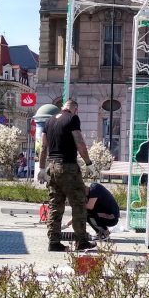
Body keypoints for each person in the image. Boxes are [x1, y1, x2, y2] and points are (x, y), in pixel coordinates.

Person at [37, 99, 99, 252]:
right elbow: (79, 142)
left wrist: (41, 168)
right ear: (75, 110)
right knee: (78, 204)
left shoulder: (49, 121)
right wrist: (89, 163)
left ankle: (54, 242)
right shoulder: (73, 118)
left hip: (52, 167)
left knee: (55, 206)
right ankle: (82, 242)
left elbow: (43, 147)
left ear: (62, 107)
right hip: (68, 168)